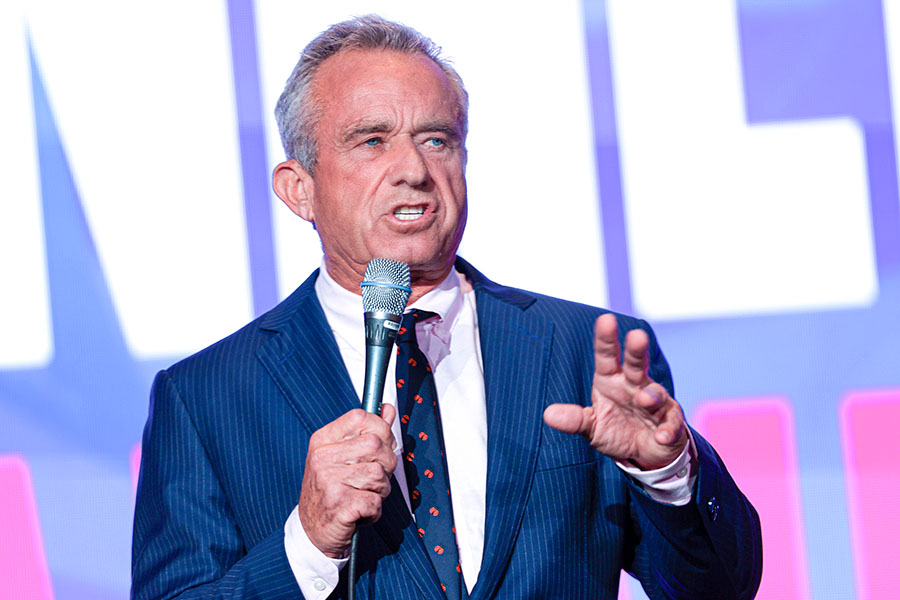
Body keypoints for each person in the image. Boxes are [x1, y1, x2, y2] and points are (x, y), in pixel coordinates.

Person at [132, 14, 762, 600]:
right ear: (300, 189)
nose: (413, 169)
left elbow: (721, 589)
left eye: (437, 139)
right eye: (371, 141)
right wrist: (308, 543)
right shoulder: (205, 399)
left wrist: (670, 475)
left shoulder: (584, 353)